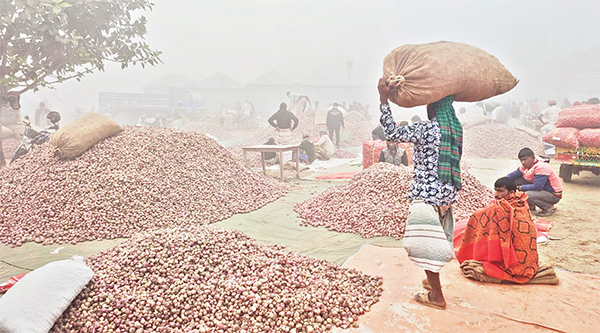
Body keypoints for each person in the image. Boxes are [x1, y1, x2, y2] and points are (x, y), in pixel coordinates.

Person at [378, 78, 462, 310]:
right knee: (437, 239)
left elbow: (392, 134)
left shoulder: (426, 129)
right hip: (447, 195)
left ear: (433, 107)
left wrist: (383, 99)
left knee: (426, 244)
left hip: (427, 194)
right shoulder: (454, 131)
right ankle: (431, 280)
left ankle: (437, 296)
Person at [456, 177, 558, 284]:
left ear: (511, 192)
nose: (496, 194)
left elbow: (477, 215)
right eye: (496, 190)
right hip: (526, 260)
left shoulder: (504, 207)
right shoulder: (520, 202)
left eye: (500, 191)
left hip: (517, 260)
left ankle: (501, 261)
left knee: (483, 223)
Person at [505, 148, 562, 217]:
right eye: (521, 160)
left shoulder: (541, 167)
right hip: (544, 190)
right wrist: (503, 181)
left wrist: (520, 187)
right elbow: (514, 175)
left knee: (527, 194)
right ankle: (530, 206)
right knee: (516, 180)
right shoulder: (526, 166)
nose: (523, 162)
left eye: (525, 159)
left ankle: (548, 207)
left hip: (553, 194)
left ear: (532, 158)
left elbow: (537, 186)